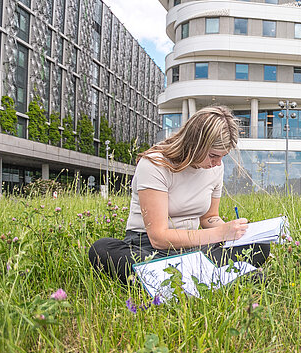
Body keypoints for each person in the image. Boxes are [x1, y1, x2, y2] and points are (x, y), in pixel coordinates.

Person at [89, 105, 269, 283]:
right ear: (195, 144)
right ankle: (210, 274)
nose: (217, 163)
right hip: (148, 246)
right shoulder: (154, 164)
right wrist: (221, 234)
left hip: (193, 246)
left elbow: (209, 217)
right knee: (102, 249)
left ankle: (177, 277)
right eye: (213, 155)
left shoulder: (216, 167)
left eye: (223, 156)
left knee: (259, 245)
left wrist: (236, 232)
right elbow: (159, 238)